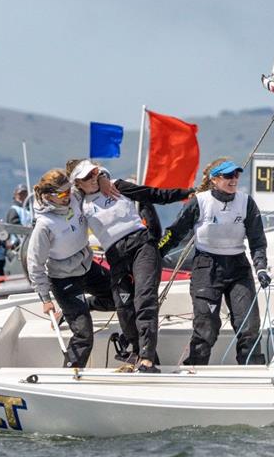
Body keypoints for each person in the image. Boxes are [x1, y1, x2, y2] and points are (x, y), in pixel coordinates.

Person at [68, 159, 194, 373]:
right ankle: (138, 353)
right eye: (86, 177)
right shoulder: (79, 202)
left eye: (94, 173)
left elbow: (154, 194)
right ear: (78, 184)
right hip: (116, 255)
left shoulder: (117, 185)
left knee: (144, 299)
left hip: (141, 245)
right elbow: (58, 199)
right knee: (124, 306)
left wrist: (187, 193)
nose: (92, 179)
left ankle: (146, 358)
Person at [158, 158, 270, 366]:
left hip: (238, 267)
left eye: (236, 175)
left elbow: (257, 241)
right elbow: (173, 233)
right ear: (214, 180)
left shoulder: (246, 202)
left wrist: (261, 267)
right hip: (206, 267)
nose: (233, 179)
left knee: (249, 326)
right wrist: (155, 256)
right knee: (206, 327)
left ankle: (253, 371)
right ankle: (195, 368)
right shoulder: (200, 202)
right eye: (228, 176)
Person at [26, 169, 114, 369]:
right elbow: (35, 265)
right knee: (84, 334)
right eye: (63, 194)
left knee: (121, 296)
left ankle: (81, 307)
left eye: (69, 191)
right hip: (63, 279)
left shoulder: (75, 195)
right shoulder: (44, 225)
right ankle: (70, 372)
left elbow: (96, 176)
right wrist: (45, 299)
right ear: (48, 197)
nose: (68, 196)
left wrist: (101, 178)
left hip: (87, 267)